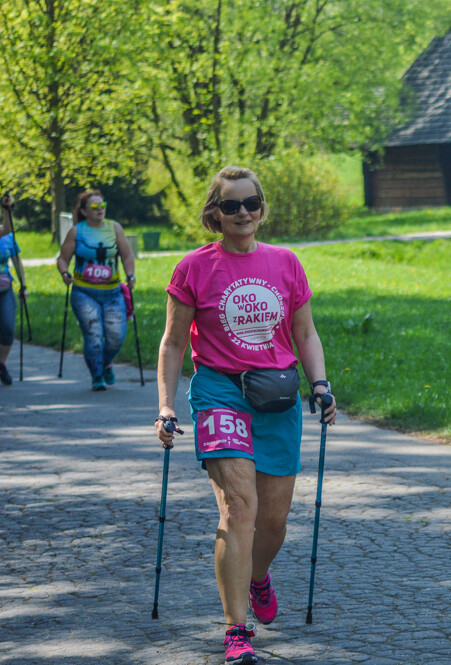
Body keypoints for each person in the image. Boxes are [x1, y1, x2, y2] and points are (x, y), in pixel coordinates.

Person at [154, 166, 337, 665]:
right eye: (231, 205)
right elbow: (173, 343)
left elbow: (305, 334)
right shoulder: (194, 268)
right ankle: (237, 630)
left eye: (251, 203)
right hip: (219, 394)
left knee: (273, 521)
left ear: (262, 207)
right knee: (239, 509)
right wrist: (167, 404)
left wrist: (320, 384)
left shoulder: (286, 263)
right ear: (215, 212)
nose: (243, 213)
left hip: (277, 397)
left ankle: (258, 576)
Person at [55, 190, 136, 390]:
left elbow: (127, 255)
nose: (100, 209)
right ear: (83, 211)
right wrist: (65, 274)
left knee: (116, 336)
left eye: (102, 205)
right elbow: (63, 258)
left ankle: (105, 362)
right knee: (93, 335)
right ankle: (97, 374)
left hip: (113, 292)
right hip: (84, 292)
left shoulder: (114, 228)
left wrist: (130, 274)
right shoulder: (77, 231)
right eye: (94, 206)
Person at [0, 193, 25, 385]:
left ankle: (2, 364)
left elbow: (18, 262)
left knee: (8, 328)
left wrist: (6, 209)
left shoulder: (6, 237)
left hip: (5, 289)